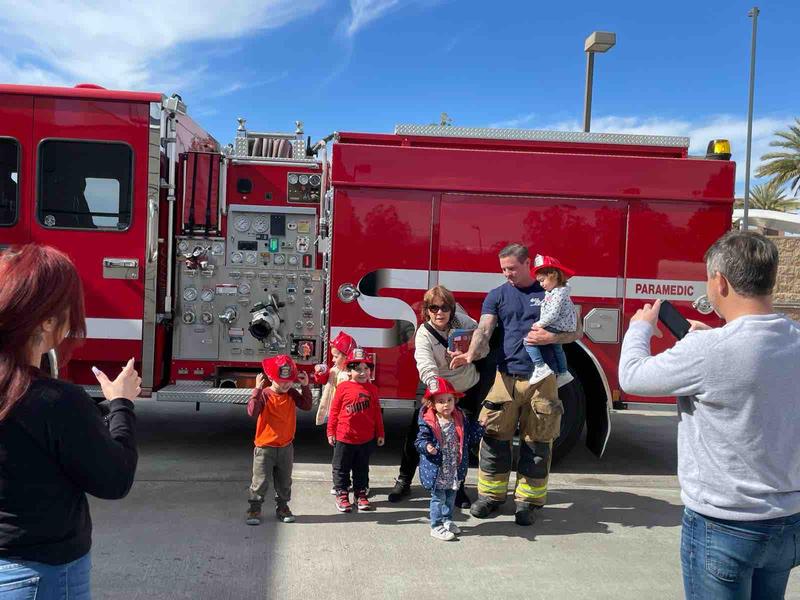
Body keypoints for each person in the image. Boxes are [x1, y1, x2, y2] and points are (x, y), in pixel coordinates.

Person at [618, 231, 800, 599]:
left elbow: (632, 376)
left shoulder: (707, 349)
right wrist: (709, 338)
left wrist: (640, 328)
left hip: (724, 525)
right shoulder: (793, 337)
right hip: (788, 522)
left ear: (720, 282)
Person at [0, 244, 140, 599]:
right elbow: (114, 479)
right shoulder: (56, 401)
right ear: (47, 320)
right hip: (40, 576)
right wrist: (121, 404)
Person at [450, 243, 582, 526]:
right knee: (493, 436)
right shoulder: (498, 295)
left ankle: (527, 502)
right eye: (503, 269)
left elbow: (575, 330)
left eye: (511, 268)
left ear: (527, 265)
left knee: (538, 441)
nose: (506, 274)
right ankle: (491, 497)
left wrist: (551, 338)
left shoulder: (550, 291)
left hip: (542, 378)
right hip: (506, 375)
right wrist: (470, 354)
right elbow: (484, 329)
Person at [388, 285, 489, 507]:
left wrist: (470, 354)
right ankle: (404, 480)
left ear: (452, 309)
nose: (439, 312)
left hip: (466, 387)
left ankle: (458, 487)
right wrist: (439, 395)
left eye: (444, 308)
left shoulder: (466, 324)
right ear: (427, 311)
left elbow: (485, 348)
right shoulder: (424, 333)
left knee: (460, 439)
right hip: (437, 389)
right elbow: (425, 364)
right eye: (433, 308)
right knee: (418, 434)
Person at [415, 377, 485, 541]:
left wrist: (480, 427)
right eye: (441, 401)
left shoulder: (459, 418)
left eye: (449, 400)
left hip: (453, 468)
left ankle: (447, 521)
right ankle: (436, 525)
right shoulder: (429, 421)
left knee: (450, 497)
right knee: (438, 498)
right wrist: (427, 447)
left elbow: (469, 438)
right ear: (432, 404)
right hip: (438, 470)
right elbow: (419, 441)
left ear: (455, 401)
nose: (446, 404)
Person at [246, 355, 312, 525]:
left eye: (289, 380)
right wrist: (257, 390)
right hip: (264, 448)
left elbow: (306, 405)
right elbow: (252, 412)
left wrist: (305, 386)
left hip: (285, 447)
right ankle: (254, 508)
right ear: (270, 378)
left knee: (284, 481)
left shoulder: (291, 393)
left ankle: (282, 507)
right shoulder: (265, 394)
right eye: (282, 381)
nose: (286, 384)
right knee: (260, 481)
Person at [327, 348, 385, 513]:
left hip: (365, 438)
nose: (362, 372)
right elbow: (334, 411)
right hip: (344, 437)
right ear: (349, 370)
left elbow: (377, 413)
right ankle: (342, 493)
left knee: (362, 468)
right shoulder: (343, 387)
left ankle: (360, 493)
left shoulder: (372, 389)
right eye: (357, 369)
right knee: (341, 467)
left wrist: (380, 433)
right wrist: (330, 431)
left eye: (366, 368)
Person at [314, 331, 358, 495]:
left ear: (347, 356)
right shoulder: (335, 371)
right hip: (338, 420)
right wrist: (319, 371)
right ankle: (342, 483)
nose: (332, 360)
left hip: (350, 420)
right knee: (340, 456)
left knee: (353, 456)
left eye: (336, 356)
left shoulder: (353, 375)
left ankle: (357, 484)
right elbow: (322, 378)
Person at [525, 254, 577, 387]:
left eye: (543, 280)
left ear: (553, 275)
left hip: (558, 324)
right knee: (557, 348)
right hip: (563, 325)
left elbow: (553, 314)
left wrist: (539, 324)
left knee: (529, 341)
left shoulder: (558, 293)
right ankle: (564, 373)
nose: (541, 284)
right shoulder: (555, 291)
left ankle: (540, 366)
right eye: (539, 281)